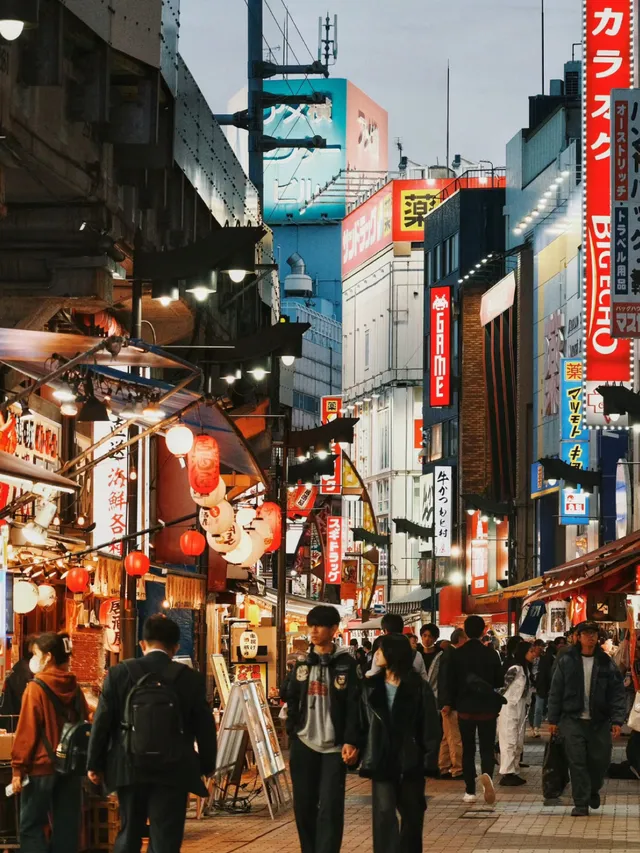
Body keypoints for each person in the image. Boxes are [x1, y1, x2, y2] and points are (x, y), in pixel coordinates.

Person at [87, 614, 216, 853]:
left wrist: (95, 764)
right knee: (166, 835)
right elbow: (204, 726)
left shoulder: (119, 674)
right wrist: (207, 765)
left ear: (142, 644)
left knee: (129, 831)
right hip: (174, 769)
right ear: (175, 646)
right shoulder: (190, 679)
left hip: (128, 766)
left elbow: (102, 721)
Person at [282, 605, 362, 853]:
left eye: (319, 626)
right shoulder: (303, 662)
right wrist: (292, 726)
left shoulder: (347, 664)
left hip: (334, 748)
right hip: (304, 743)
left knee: (330, 806)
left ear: (334, 629)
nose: (313, 631)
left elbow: (354, 705)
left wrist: (351, 740)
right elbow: (290, 694)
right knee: (303, 805)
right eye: (311, 625)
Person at [360, 633, 439, 853]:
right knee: (384, 815)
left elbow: (431, 726)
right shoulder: (370, 687)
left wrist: (428, 759)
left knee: (412, 817)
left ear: (394, 654)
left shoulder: (418, 687)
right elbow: (361, 723)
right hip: (381, 758)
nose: (376, 654)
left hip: (411, 760)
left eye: (381, 650)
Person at [11, 632, 89, 853]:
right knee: (66, 829)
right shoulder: (74, 688)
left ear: (49, 657)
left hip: (41, 768)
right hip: (70, 768)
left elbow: (27, 732)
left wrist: (18, 768)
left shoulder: (35, 689)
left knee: (31, 827)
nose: (33, 659)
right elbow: (84, 722)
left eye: (36, 654)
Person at [547, 620, 626, 816]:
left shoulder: (606, 662)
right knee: (577, 761)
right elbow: (555, 691)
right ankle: (581, 802)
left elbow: (617, 692)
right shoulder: (567, 661)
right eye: (586, 633)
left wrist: (617, 720)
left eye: (594, 633)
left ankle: (592, 790)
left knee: (599, 762)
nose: (591, 637)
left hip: (599, 722)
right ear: (578, 637)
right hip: (572, 720)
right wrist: (553, 720)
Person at [445, 615, 504, 805]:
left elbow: (450, 682)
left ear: (465, 631)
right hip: (487, 708)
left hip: (465, 709)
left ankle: (470, 790)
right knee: (487, 748)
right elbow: (499, 681)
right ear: (483, 631)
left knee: (468, 750)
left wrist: (449, 703)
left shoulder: (456, 654)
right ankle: (487, 777)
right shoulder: (491, 654)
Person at [498, 641, 537, 786]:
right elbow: (502, 687)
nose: (534, 654)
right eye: (531, 652)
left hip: (520, 706)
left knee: (518, 739)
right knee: (509, 739)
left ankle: (514, 769)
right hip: (509, 706)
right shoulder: (514, 669)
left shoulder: (525, 669)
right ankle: (507, 772)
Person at [437, 627, 466, 781]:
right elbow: (446, 681)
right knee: (454, 737)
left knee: (447, 737)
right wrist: (447, 702)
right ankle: (457, 769)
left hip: (448, 702)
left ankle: (443, 766)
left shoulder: (448, 654)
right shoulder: (451, 655)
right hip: (450, 704)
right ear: (461, 640)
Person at [367, 614, 427, 680]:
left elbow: (373, 674)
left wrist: (367, 674)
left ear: (385, 631)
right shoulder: (417, 655)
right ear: (402, 629)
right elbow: (424, 678)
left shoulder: (380, 654)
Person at [0, 636, 35, 732]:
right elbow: (24, 704)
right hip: (16, 725)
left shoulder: (20, 668)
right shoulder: (24, 672)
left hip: (12, 723)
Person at [532, 638, 562, 736]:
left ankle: (537, 727)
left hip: (543, 686)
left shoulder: (546, 658)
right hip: (536, 686)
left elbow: (549, 673)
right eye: (539, 647)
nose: (540, 649)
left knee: (540, 708)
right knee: (537, 708)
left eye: (542, 647)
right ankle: (535, 727)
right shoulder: (531, 658)